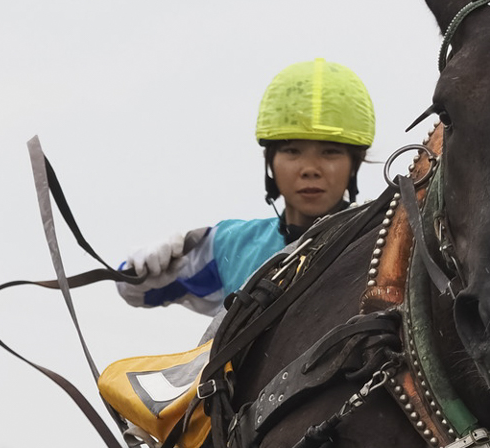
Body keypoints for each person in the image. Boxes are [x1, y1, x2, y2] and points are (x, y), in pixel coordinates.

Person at [117, 58, 376, 317]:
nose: (310, 168)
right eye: (292, 151)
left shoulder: (383, 244)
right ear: (270, 162)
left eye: (330, 152)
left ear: (354, 164)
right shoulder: (232, 246)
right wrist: (141, 269)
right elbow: (136, 292)